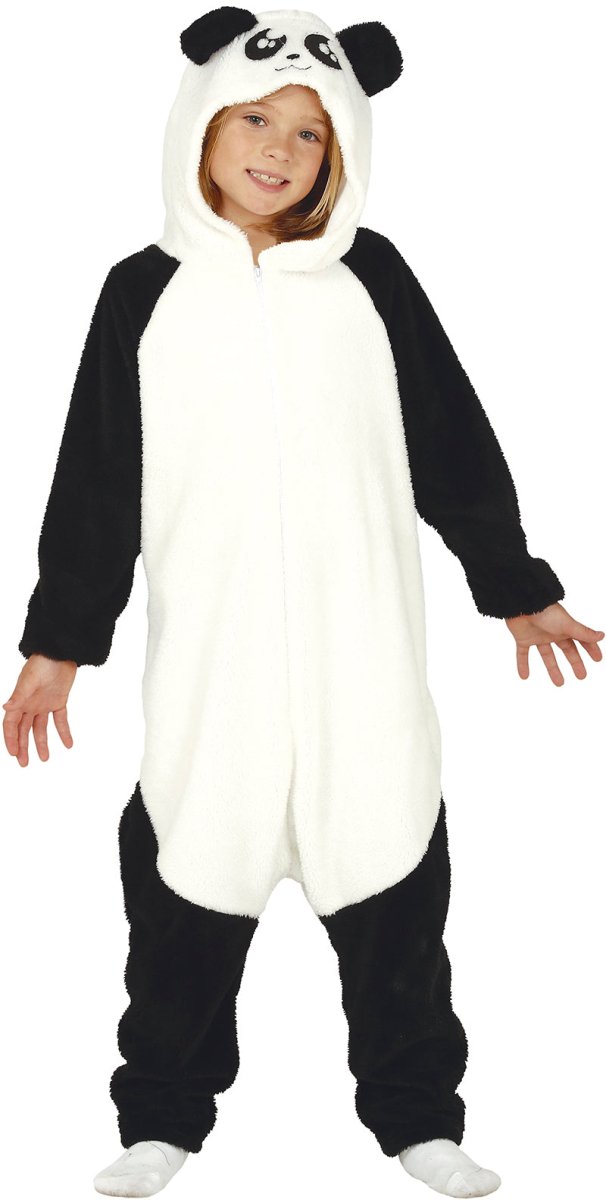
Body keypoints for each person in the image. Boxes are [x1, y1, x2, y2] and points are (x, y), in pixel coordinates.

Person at [3, 8, 603, 1199]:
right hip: (212, 674)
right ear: (202, 125)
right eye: (255, 119)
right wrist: (59, 646)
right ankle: (161, 1119)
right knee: (180, 898)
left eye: (312, 133)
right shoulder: (142, 293)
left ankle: (420, 1118)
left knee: (397, 896)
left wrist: (515, 587)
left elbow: (451, 439)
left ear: (345, 152)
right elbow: (96, 481)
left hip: (360, 660)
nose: (280, 149)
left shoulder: (372, 281)